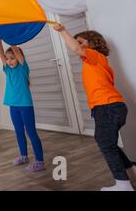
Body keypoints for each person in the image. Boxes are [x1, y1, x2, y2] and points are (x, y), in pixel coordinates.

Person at [53, 24, 134, 191]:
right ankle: (131, 169)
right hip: (111, 107)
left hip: (107, 106)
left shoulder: (94, 56)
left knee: (106, 144)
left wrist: (62, 31)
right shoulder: (97, 62)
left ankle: (123, 184)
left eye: (81, 42)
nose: (78, 45)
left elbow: (76, 49)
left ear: (92, 43)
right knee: (107, 142)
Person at [0, 40, 45, 172]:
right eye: (8, 59)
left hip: (25, 105)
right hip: (13, 106)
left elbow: (16, 51)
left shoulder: (23, 68)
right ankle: (24, 156)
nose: (9, 61)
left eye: (12, 58)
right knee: (18, 131)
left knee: (31, 132)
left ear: (19, 58)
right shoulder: (7, 70)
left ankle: (40, 161)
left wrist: (10, 38)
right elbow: (1, 54)